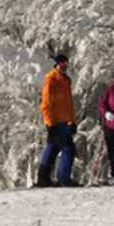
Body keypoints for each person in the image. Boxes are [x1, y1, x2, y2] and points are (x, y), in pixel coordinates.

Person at [35, 53, 80, 187]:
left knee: (53, 146)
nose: (65, 67)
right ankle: (63, 178)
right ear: (56, 65)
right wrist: (50, 124)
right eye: (62, 64)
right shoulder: (51, 80)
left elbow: (68, 104)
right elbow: (46, 104)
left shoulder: (66, 80)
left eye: (66, 64)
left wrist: (72, 121)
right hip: (56, 121)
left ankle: (43, 178)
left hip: (65, 121)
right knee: (67, 148)